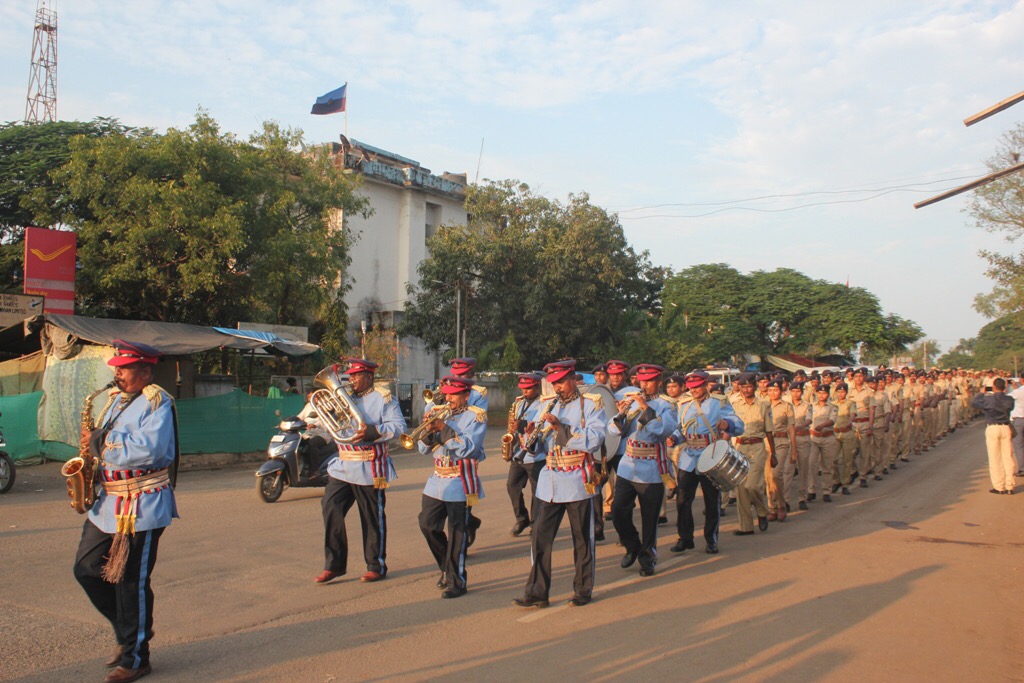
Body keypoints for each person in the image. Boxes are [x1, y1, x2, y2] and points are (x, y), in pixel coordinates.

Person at [74, 340, 178, 683]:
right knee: (87, 569)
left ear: (145, 371)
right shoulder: (114, 401)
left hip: (142, 502)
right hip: (108, 501)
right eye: (116, 367)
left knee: (131, 583)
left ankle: (136, 657)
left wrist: (100, 441)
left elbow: (151, 449)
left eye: (125, 368)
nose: (117, 373)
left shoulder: (157, 402)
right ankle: (127, 632)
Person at [514, 360, 606, 608]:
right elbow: (536, 449)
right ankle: (537, 591)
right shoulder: (545, 404)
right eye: (554, 383)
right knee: (540, 538)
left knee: (582, 540)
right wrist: (529, 438)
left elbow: (595, 440)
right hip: (550, 479)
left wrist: (560, 427)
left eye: (562, 382)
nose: (557, 388)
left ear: (574, 379)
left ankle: (582, 589)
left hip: (578, 479)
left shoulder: (591, 404)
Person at [316, 359, 405, 585]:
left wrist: (372, 431)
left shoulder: (384, 398)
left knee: (371, 517)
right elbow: (334, 427)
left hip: (369, 465)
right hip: (343, 465)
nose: (351, 380)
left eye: (356, 376)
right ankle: (334, 565)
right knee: (330, 507)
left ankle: (376, 565)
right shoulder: (345, 398)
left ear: (369, 376)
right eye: (350, 376)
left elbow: (398, 427)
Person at [417, 375, 488, 598]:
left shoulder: (476, 416)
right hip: (437, 479)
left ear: (466, 395)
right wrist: (428, 431)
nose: (449, 398)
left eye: (454, 394)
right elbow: (422, 449)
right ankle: (447, 568)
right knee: (427, 525)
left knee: (457, 533)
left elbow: (468, 447)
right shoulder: (438, 411)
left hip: (460, 480)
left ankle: (457, 581)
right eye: (447, 393)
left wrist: (443, 428)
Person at [666, 370, 743, 555]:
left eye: (697, 387)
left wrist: (728, 425)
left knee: (711, 501)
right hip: (688, 457)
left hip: (710, 456)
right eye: (691, 387)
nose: (694, 390)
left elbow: (739, 424)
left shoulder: (719, 402)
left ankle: (711, 539)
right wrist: (674, 438)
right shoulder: (684, 404)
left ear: (705, 385)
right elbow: (681, 428)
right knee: (683, 500)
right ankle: (685, 538)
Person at [608, 364, 675, 576]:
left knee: (649, 518)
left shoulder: (667, 405)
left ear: (659, 382)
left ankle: (648, 557)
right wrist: (620, 414)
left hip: (652, 467)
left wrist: (645, 408)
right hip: (628, 465)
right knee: (618, 511)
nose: (644, 384)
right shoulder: (632, 400)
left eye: (649, 381)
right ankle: (632, 545)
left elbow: (663, 430)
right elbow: (612, 429)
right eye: (642, 380)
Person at [447, 357, 487, 544]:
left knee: (464, 492)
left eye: (462, 375)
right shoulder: (445, 390)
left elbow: (475, 416)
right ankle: (469, 523)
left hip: (467, 445)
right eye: (455, 374)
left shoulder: (479, 395)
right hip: (445, 450)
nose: (457, 377)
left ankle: (462, 537)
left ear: (471, 375)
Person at [730, 373, 774, 536]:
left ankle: (762, 511)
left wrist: (773, 453)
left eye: (749, 386)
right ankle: (746, 526)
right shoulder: (733, 404)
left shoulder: (763, 405)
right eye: (743, 386)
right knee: (741, 487)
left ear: (754, 387)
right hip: (740, 446)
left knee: (753, 485)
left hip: (757, 447)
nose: (746, 389)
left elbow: (769, 431)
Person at [505, 372, 547, 536]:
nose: (525, 391)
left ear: (537, 386)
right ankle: (521, 518)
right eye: (523, 388)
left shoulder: (544, 404)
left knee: (537, 491)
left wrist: (520, 425)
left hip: (536, 455)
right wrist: (511, 438)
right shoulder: (518, 403)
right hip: (519, 453)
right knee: (512, 486)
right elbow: (513, 426)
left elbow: (540, 427)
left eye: (529, 388)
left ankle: (535, 523)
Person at [971, 377, 1017, 495]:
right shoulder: (1009, 399)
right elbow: (1010, 407)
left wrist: (981, 394)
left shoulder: (988, 399)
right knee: (1008, 456)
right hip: (1005, 427)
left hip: (992, 427)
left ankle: (999, 486)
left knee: (995, 458)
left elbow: (974, 404)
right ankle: (1010, 485)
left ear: (994, 387)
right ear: (1004, 387)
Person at [808, 384, 838, 503]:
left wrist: (822, 425)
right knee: (811, 465)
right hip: (813, 438)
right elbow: (808, 419)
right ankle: (811, 490)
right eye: (819, 393)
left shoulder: (833, 407)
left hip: (827, 437)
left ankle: (826, 491)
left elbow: (832, 420)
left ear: (828, 394)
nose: (821, 395)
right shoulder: (811, 407)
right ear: (816, 394)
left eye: (824, 393)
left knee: (827, 465)